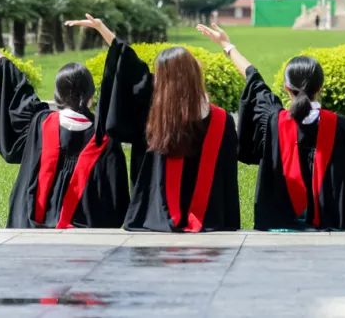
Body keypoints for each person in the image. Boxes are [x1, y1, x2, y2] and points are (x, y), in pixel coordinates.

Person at [65, 14, 239, 232]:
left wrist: (103, 30)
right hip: (210, 214)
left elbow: (129, 64)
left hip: (157, 210)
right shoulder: (220, 119)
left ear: (163, 78)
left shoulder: (153, 109)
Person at [0, 18, 129, 229]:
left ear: (57, 96)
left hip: (33, 225)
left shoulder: (40, 123)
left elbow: (16, 85)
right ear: (90, 97)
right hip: (86, 230)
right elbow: (116, 198)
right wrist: (103, 29)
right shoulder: (105, 137)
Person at [198, 23, 345, 231]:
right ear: (320, 87)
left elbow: (254, 80)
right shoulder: (343, 127)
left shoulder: (273, 121)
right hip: (332, 223)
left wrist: (227, 45)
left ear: (286, 88)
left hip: (279, 223)